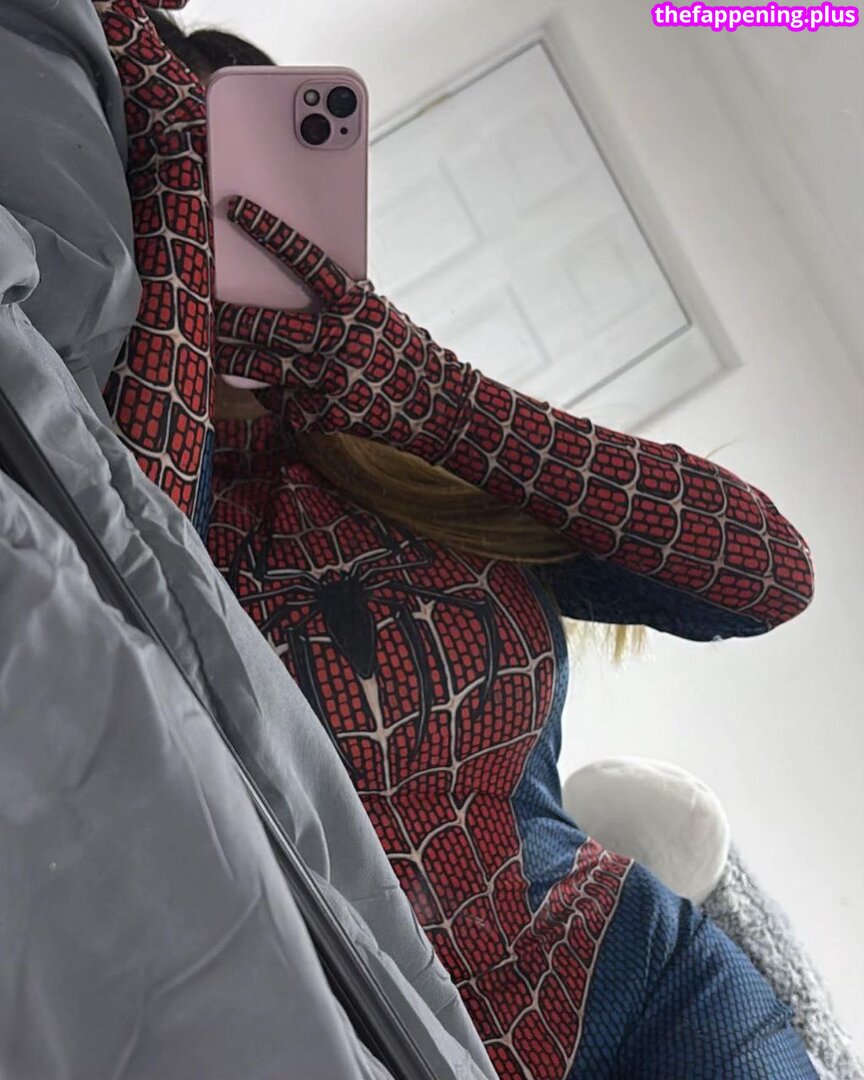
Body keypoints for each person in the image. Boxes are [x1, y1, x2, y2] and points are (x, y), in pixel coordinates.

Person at [96, 2, 820, 1076]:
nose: (220, 233)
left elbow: (769, 572)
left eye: (251, 195)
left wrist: (428, 392)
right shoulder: (128, 481)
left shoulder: (416, 452)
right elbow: (121, 627)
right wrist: (175, 237)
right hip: (360, 1040)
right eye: (186, 200)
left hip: (643, 988)